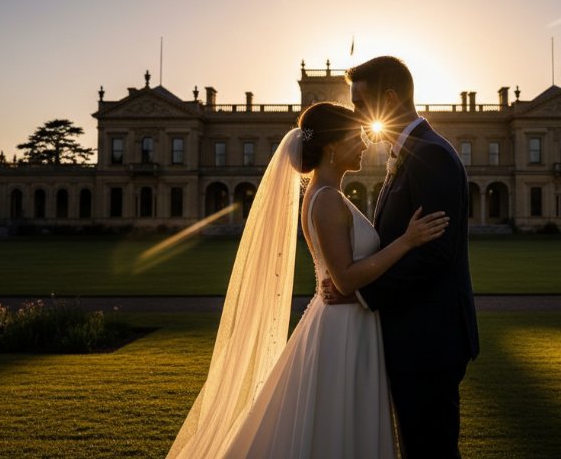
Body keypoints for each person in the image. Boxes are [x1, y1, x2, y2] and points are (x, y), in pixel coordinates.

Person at [166, 102, 450, 459]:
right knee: (336, 423)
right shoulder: (327, 200)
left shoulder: (327, 196)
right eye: (357, 136)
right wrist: (406, 242)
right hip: (342, 327)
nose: (365, 143)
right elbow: (345, 279)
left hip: (346, 320)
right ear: (332, 146)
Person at [323, 55, 480, 458]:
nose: (356, 114)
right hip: (414, 335)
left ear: (388, 99)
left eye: (360, 104)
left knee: (430, 450)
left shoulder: (432, 155)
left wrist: (361, 293)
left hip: (429, 338)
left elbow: (435, 256)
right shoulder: (412, 152)